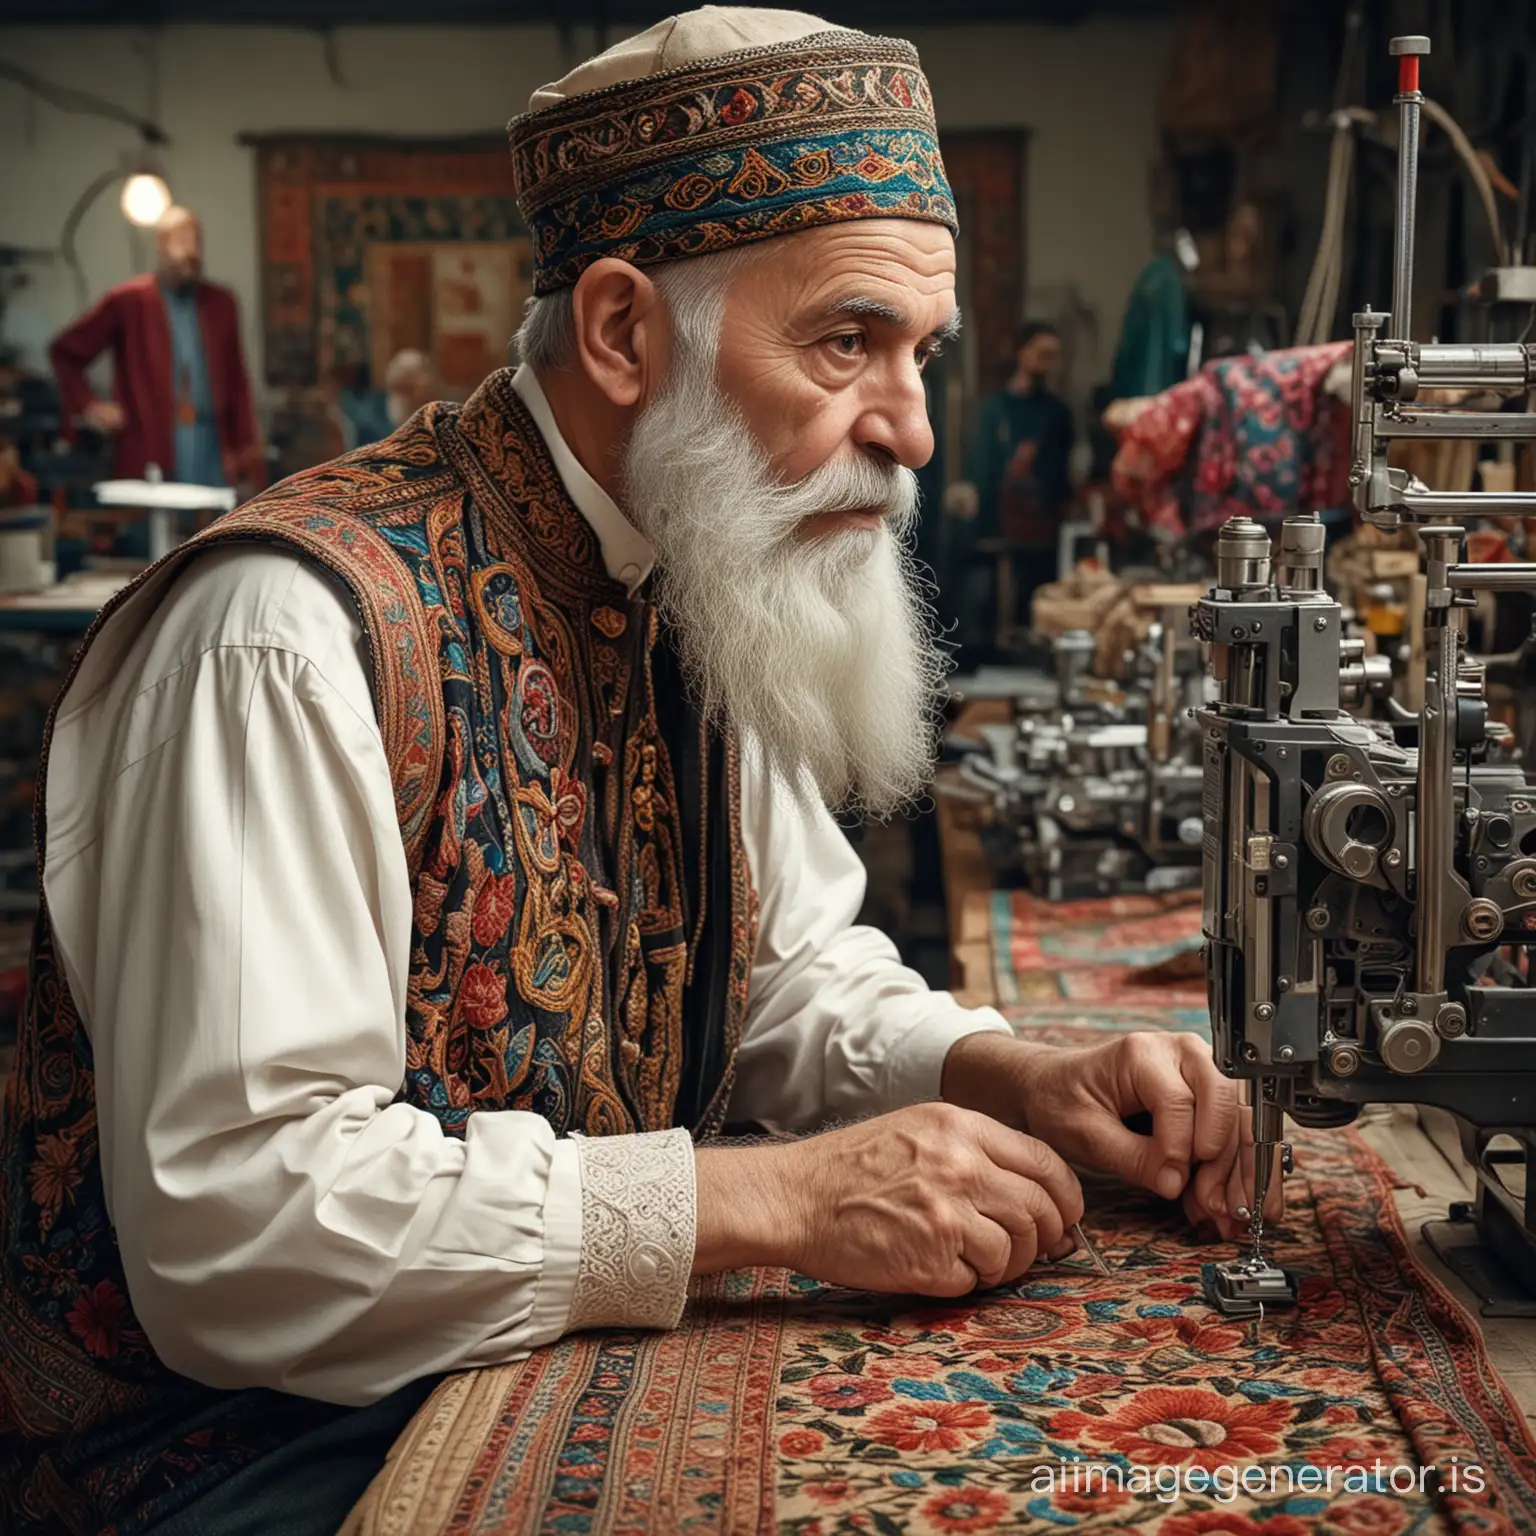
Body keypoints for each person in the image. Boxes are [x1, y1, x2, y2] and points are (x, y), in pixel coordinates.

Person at [0, 12, 1281, 1533]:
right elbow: (242, 1224)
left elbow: (785, 976)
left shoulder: (697, 565)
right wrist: (783, 1202)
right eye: (846, 342)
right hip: (230, 1455)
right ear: (622, 333)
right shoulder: (288, 637)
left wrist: (1015, 1074)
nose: (916, 428)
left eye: (920, 354)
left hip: (534, 1361)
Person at [48, 205, 265, 496]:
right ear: (161, 246)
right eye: (181, 241)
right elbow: (65, 352)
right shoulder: (129, 300)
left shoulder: (221, 303)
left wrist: (246, 450)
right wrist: (90, 404)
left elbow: (237, 380)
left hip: (212, 449)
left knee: (213, 532)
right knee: (153, 534)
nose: (192, 252)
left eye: (196, 242)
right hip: (152, 448)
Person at [946, 321, 1076, 643]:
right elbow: (981, 467)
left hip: (1040, 528)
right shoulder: (996, 411)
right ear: (1023, 352)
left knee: (1035, 604)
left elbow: (1061, 473)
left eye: (1053, 356)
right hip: (998, 522)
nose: (1047, 362)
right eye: (1042, 353)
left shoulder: (1056, 414)